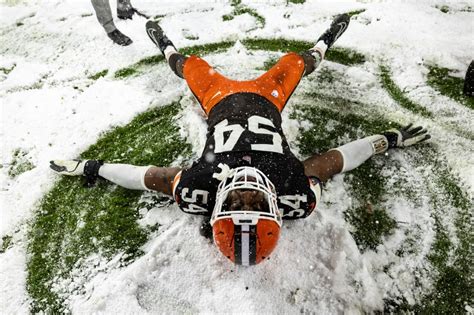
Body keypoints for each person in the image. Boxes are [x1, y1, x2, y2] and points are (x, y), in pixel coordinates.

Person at [50, 15, 430, 266]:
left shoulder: (198, 188)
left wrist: (93, 167)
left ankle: (164, 44)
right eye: (254, 202)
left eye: (234, 202)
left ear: (215, 210)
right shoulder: (293, 191)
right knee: (299, 62)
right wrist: (387, 139)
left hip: (218, 97)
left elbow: (146, 176)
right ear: (277, 208)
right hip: (268, 97)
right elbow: (332, 160)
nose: (245, 189)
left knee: (187, 66)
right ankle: (324, 42)